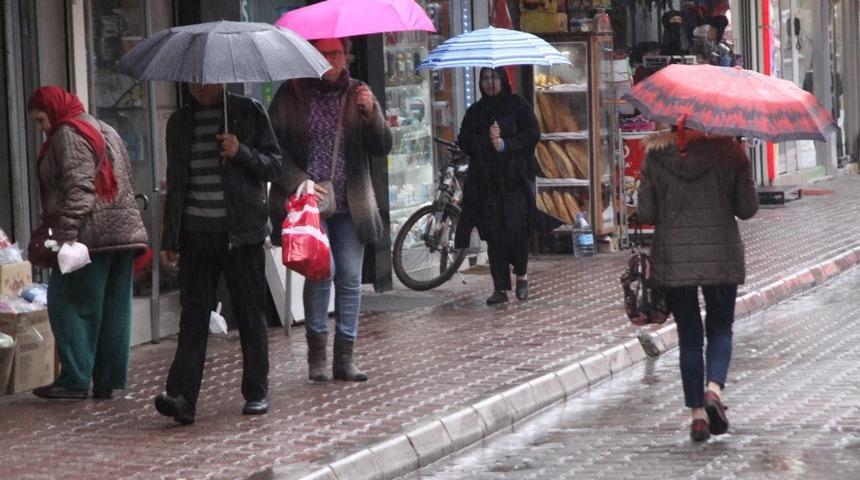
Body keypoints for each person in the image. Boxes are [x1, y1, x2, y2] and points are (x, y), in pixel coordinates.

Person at [155, 84, 281, 424]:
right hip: (197, 234)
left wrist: (241, 152)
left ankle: (256, 390)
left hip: (242, 233)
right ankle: (182, 396)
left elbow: (273, 165)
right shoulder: (179, 122)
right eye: (193, 80)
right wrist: (170, 238)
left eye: (206, 79)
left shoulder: (249, 111)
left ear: (221, 79)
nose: (199, 87)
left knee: (250, 314)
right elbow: (176, 182)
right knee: (193, 317)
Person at [267, 37, 391, 383]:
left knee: (350, 276)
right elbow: (272, 149)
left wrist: (371, 115)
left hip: (351, 204)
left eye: (336, 53)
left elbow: (382, 146)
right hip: (309, 202)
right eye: (322, 53)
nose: (330, 59)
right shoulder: (290, 95)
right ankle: (317, 356)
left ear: (346, 56)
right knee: (323, 270)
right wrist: (300, 181)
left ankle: (345, 357)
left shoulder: (359, 92)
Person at [636, 126, 758, 442]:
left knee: (690, 336)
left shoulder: (655, 155)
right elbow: (747, 209)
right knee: (720, 328)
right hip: (721, 255)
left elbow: (646, 212)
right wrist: (742, 167)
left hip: (674, 259)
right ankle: (713, 390)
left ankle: (698, 418)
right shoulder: (730, 152)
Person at [26, 86, 147, 400]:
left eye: (41, 119)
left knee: (68, 304)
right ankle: (107, 378)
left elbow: (80, 188)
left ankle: (75, 379)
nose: (42, 128)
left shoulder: (68, 133)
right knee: (114, 308)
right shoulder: (104, 128)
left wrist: (67, 235)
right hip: (123, 233)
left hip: (91, 236)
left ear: (53, 109)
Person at [454, 67, 540, 306]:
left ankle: (521, 274)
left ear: (503, 80)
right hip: (487, 183)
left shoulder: (517, 105)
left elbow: (533, 133)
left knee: (515, 231)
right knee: (494, 235)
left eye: (493, 78)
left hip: (514, 181)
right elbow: (464, 142)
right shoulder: (476, 111)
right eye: (485, 79)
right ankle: (499, 287)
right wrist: (486, 139)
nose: (489, 83)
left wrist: (506, 145)